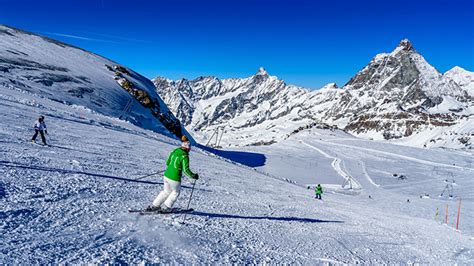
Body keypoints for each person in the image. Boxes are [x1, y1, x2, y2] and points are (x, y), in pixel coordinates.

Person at [146, 136, 199, 212]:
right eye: (189, 149)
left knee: (166, 191)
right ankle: (166, 208)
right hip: (175, 178)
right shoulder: (185, 156)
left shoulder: (175, 151)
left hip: (167, 175)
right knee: (175, 192)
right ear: (187, 148)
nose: (189, 150)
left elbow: (168, 162)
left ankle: (155, 206)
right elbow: (186, 170)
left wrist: (173, 167)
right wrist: (194, 176)